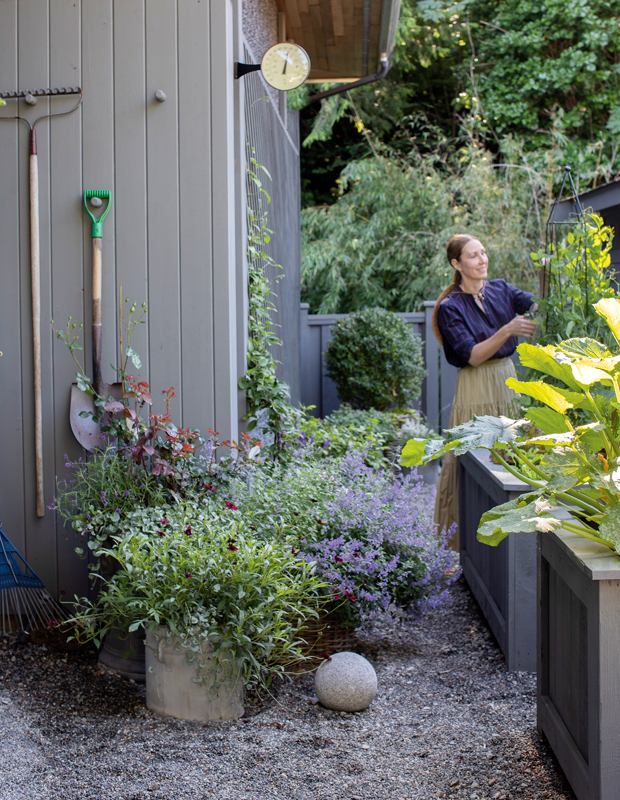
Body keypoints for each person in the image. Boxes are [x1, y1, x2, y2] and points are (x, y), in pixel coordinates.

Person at [432, 234, 537, 549]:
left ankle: (513, 541)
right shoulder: (450, 307)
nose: (482, 260)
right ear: (457, 264)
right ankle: (463, 544)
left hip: (507, 379)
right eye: (474, 256)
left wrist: (546, 274)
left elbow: (538, 304)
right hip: (476, 385)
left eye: (483, 253)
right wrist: (507, 329)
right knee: (473, 462)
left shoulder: (502, 289)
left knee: (515, 454)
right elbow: (473, 355)